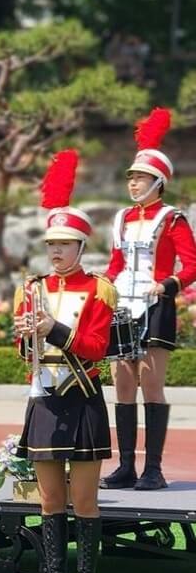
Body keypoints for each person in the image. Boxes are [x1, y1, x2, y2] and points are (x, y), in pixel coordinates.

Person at [14, 151, 115, 573]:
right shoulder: (30, 287)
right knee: (50, 500)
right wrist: (27, 336)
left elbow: (95, 348)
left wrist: (52, 327)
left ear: (80, 247)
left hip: (84, 398)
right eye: (51, 243)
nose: (55, 251)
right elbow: (23, 353)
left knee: (86, 501)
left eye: (65, 244)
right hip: (47, 397)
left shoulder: (98, 290)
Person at [103, 108, 196, 491]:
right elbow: (115, 263)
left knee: (150, 384)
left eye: (140, 178)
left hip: (154, 305)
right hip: (121, 304)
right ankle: (126, 466)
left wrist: (167, 284)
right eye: (131, 178)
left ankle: (153, 470)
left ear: (158, 181)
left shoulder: (173, 219)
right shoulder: (121, 218)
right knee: (122, 386)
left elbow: (191, 265)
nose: (133, 184)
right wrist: (101, 287)